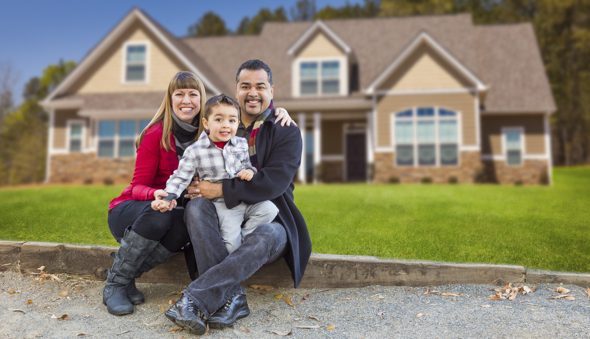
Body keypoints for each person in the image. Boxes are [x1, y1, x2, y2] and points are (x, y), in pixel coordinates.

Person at [104, 71, 294, 316]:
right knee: (164, 214)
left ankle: (128, 275)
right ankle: (116, 283)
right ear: (170, 99)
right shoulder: (156, 135)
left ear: (202, 102)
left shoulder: (213, 131)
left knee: (185, 222)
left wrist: (279, 111)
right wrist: (160, 194)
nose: (186, 100)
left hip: (177, 210)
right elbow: (137, 186)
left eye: (193, 94)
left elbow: (245, 117)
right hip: (136, 208)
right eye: (179, 94)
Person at [165, 59, 312, 334]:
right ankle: (234, 298)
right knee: (196, 208)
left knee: (269, 235)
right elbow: (180, 122)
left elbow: (273, 184)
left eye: (260, 86)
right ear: (236, 89)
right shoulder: (221, 121)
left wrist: (220, 189)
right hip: (221, 216)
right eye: (245, 86)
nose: (253, 92)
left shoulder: (284, 129)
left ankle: (195, 298)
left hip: (269, 217)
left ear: (272, 90)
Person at [151, 94, 278, 254]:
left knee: (270, 209)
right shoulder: (196, 151)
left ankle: (245, 239)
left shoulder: (240, 144)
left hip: (244, 198)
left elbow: (247, 165)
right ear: (206, 123)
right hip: (223, 204)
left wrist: (249, 171)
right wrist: (168, 197)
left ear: (237, 123)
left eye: (232, 120)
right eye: (219, 120)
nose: (226, 125)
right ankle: (236, 251)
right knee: (231, 245)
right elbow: (180, 177)